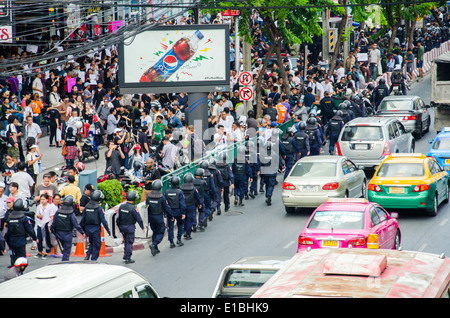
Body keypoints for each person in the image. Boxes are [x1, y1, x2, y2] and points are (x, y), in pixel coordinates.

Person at [5, 198, 38, 267]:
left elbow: (8, 230)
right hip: (21, 239)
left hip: (11, 240)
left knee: (14, 256)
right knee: (22, 258)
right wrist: (35, 238)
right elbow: (29, 229)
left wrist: (7, 240)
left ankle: (14, 267)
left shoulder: (10, 217)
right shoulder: (23, 218)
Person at [51, 195, 85, 261]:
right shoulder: (71, 213)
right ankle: (64, 263)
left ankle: (64, 259)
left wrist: (54, 232)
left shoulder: (58, 212)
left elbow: (54, 223)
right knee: (67, 250)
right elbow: (76, 224)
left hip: (58, 233)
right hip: (67, 234)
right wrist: (82, 232)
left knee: (64, 249)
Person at [80, 190, 111, 261]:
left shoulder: (87, 207)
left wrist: (83, 230)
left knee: (92, 242)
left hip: (88, 228)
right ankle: (94, 260)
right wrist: (108, 230)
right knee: (97, 244)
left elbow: (83, 219)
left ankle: (88, 255)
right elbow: (103, 220)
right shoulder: (99, 208)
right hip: (96, 228)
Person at [117, 190, 144, 264]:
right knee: (129, 242)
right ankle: (128, 258)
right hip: (130, 227)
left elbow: (119, 217)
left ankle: (126, 254)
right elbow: (138, 218)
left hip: (122, 227)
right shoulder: (133, 208)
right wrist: (142, 227)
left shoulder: (122, 206)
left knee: (126, 241)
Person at [146, 179, 172, 256]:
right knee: (161, 231)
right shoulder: (161, 197)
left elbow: (146, 207)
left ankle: (155, 248)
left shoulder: (149, 197)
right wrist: (170, 215)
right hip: (158, 217)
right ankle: (154, 244)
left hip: (151, 217)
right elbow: (166, 208)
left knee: (155, 231)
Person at [180, 173, 203, 241]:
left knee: (184, 220)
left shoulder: (181, 188)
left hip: (183, 206)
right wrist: (199, 203)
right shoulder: (193, 188)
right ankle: (188, 234)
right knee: (189, 220)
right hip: (191, 206)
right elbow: (198, 197)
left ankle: (184, 231)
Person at [165, 176, 186, 248]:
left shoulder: (167, 192)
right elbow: (182, 203)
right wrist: (183, 213)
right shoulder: (180, 192)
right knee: (180, 225)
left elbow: (165, 204)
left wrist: (166, 213)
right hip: (178, 212)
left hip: (170, 212)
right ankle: (179, 239)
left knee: (170, 227)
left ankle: (171, 242)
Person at [34, 193, 55, 259]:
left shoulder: (50, 207)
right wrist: (39, 216)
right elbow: (37, 215)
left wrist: (50, 225)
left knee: (47, 239)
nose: (42, 201)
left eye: (44, 199)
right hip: (40, 224)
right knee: (39, 238)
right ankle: (40, 252)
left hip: (47, 224)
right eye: (41, 199)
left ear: (47, 199)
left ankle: (47, 252)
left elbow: (52, 216)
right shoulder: (39, 207)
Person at [258, 141, 279, 206]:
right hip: (272, 172)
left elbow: (260, 163)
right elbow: (277, 163)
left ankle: (267, 195)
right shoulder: (274, 154)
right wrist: (277, 169)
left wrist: (260, 170)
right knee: (271, 185)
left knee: (267, 184)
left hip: (265, 172)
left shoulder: (262, 154)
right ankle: (269, 196)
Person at [193, 168, 208, 232]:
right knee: (202, 211)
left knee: (194, 212)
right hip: (201, 198)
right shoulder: (203, 182)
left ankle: (194, 225)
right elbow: (206, 186)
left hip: (193, 198)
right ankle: (200, 224)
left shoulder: (192, 181)